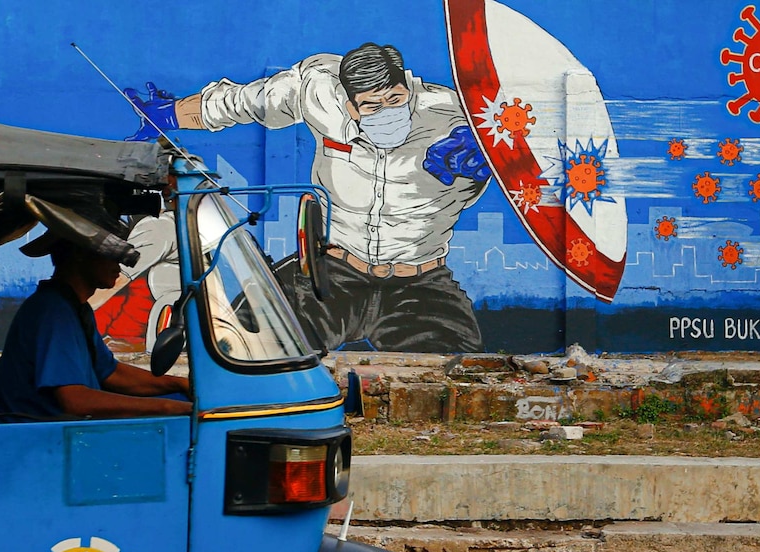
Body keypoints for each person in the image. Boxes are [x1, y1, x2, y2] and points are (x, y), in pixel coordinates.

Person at [123, 42, 491, 353]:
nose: (388, 112)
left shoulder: (455, 117)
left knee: (455, 372)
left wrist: (485, 159)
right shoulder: (317, 90)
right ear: (348, 103)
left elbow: (523, 152)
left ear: (407, 86)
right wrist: (168, 116)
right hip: (331, 274)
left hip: (419, 283)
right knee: (247, 343)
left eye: (395, 98)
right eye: (372, 105)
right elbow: (244, 102)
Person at [0, 210, 192, 422]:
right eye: (110, 255)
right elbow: (76, 401)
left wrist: (177, 383)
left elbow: (111, 373)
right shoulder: (53, 311)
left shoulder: (76, 308)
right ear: (81, 254)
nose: (119, 266)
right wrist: (166, 407)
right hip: (41, 440)